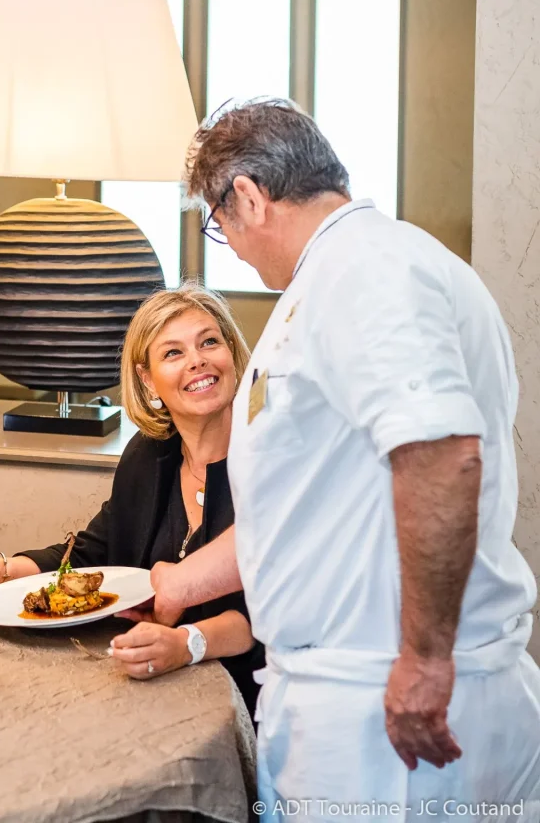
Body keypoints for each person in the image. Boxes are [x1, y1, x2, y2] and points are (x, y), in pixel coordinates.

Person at [151, 99, 540, 818]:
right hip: (348, 694)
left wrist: (424, 661)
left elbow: (441, 454)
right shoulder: (341, 274)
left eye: (219, 224)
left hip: (388, 717)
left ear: (248, 197)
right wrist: (176, 583)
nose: (227, 244)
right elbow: (317, 506)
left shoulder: (367, 271)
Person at [0, 284, 265, 719]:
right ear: (147, 379)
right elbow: (93, 554)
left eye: (209, 342)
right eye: (173, 353)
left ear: (232, 354)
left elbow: (270, 608)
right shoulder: (150, 455)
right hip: (146, 689)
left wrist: (187, 643)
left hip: (243, 700)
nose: (198, 360)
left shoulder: (268, 459)